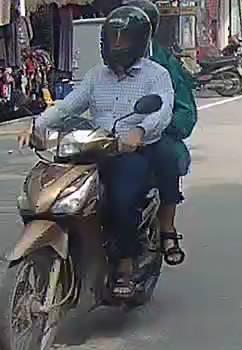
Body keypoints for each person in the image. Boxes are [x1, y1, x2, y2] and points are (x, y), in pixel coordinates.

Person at [17, 6, 174, 298]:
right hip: (92, 149)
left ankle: (125, 265)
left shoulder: (156, 76)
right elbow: (67, 107)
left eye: (123, 39)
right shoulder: (95, 76)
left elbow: (162, 111)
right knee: (51, 193)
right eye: (112, 38)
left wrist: (140, 131)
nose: (117, 45)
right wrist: (36, 126)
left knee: (121, 201)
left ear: (139, 41)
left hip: (130, 153)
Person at [124, 0, 195, 265]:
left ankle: (167, 229)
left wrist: (159, 127)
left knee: (167, 156)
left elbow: (185, 110)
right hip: (115, 132)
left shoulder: (165, 65)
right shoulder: (109, 58)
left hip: (157, 133)